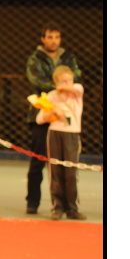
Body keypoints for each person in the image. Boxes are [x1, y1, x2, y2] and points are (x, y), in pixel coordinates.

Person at [25, 23, 81, 214]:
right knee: (38, 160)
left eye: (57, 37)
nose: (54, 41)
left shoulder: (68, 58)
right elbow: (37, 80)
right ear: (43, 39)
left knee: (67, 166)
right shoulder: (35, 59)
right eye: (50, 37)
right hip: (43, 112)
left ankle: (68, 206)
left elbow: (77, 77)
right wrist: (60, 87)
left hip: (65, 120)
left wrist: (64, 86)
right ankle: (32, 202)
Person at [36, 65, 86, 221]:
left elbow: (76, 88)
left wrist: (65, 87)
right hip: (55, 134)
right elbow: (39, 119)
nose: (67, 83)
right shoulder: (51, 96)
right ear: (55, 81)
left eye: (69, 80)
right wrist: (52, 111)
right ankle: (57, 207)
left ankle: (72, 208)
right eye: (62, 81)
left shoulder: (76, 92)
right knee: (55, 171)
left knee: (71, 173)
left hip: (71, 134)